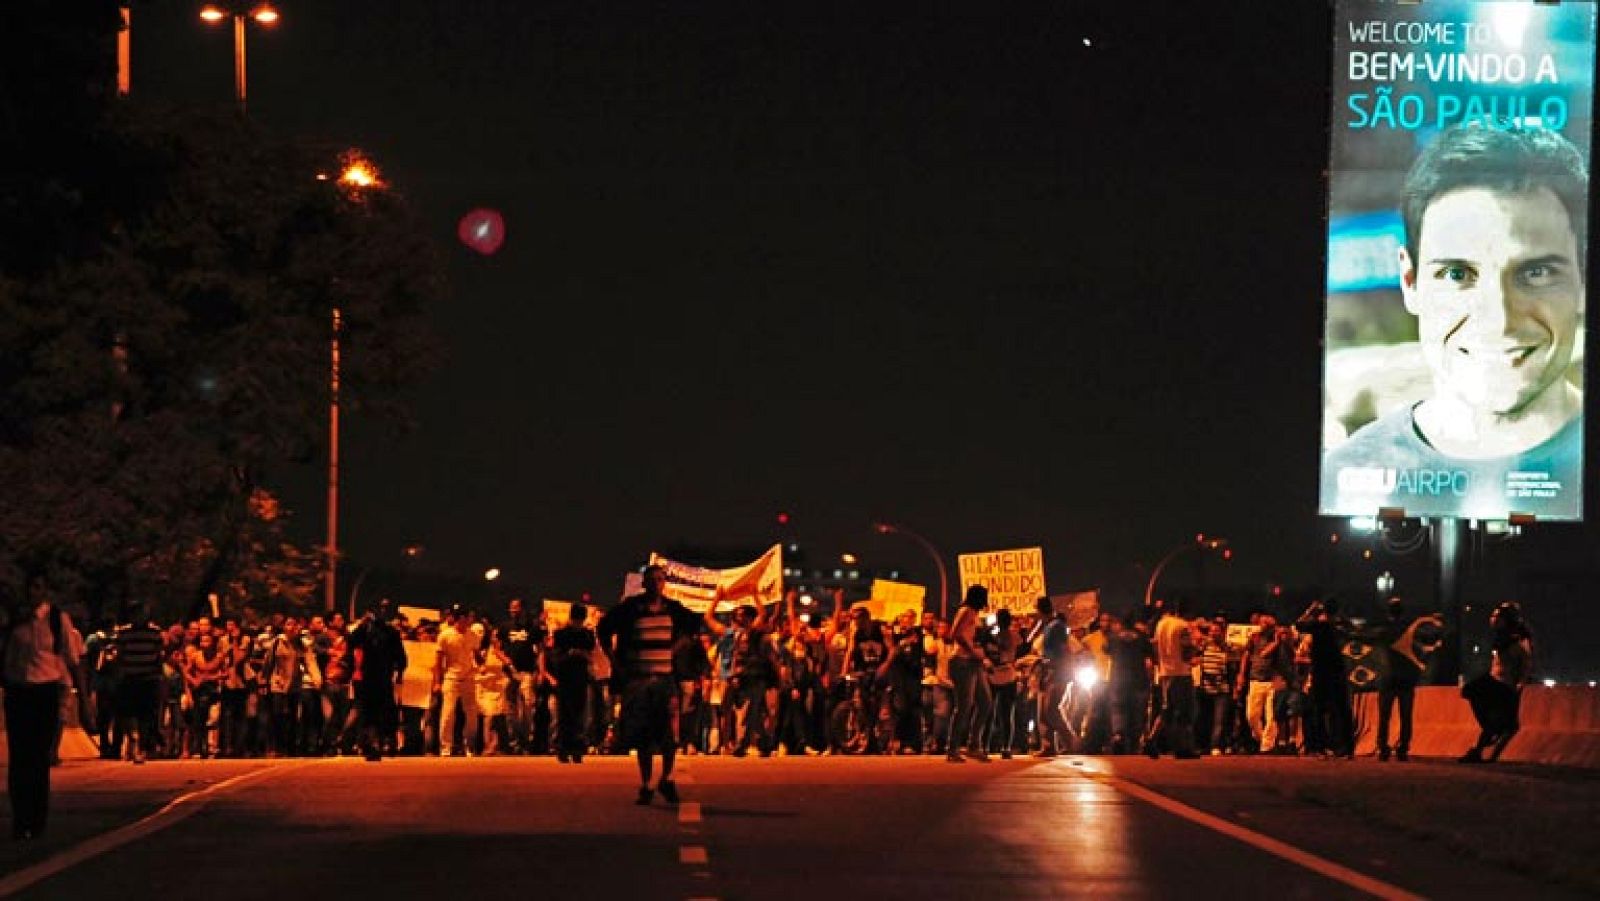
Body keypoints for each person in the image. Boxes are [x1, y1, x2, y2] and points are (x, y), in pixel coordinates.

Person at [1324, 125, 1586, 519]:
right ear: (1410, 282)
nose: (1498, 320)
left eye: (1536, 273)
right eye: (1457, 275)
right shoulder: (1343, 476)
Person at [597, 565, 703, 805]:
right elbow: (603, 629)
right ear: (644, 583)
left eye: (660, 579)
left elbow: (695, 626)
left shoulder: (673, 609)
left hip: (665, 682)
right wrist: (615, 661)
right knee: (643, 737)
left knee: (668, 737)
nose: (656, 584)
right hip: (638, 682)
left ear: (664, 583)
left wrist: (673, 650)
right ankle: (646, 784)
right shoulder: (631, 609)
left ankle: (666, 779)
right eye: (652, 580)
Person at [2, 579, 83, 840]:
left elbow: (72, 659)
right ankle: (20, 818)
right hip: (18, 690)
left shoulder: (58, 620)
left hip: (45, 690)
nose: (31, 593)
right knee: (19, 758)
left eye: (36, 587)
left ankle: (36, 819)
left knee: (38, 757)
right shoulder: (14, 620)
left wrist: (80, 696)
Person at [1460, 601, 1534, 764]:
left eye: (1497, 616)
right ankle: (1486, 742)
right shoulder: (1504, 636)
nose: (1493, 619)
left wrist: (1520, 683)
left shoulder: (1519, 640)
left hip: (1504, 684)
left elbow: (1526, 664)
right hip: (1496, 679)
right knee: (1470, 693)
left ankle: (1483, 748)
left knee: (1505, 724)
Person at [1375, 597, 1441, 762]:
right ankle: (1403, 748)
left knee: (1384, 716)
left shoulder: (1385, 630)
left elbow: (1364, 637)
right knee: (1406, 716)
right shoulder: (1411, 630)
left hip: (1388, 677)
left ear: (1388, 611)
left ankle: (1383, 748)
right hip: (1406, 678)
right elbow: (1429, 639)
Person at [349, 600, 407, 761]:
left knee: (386, 712)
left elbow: (401, 656)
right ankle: (371, 743)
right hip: (367, 677)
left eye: (384, 609)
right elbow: (351, 641)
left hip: (384, 677)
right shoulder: (365, 629)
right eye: (378, 609)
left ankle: (387, 741)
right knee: (368, 712)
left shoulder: (391, 632)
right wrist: (362, 624)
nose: (381, 612)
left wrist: (399, 672)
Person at [1296, 598, 1354, 759]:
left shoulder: (1318, 626)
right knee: (1342, 710)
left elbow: (1298, 625)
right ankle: (1347, 748)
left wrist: (1310, 610)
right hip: (1338, 672)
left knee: (1319, 710)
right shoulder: (1340, 626)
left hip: (1321, 672)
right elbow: (1353, 630)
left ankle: (1321, 747)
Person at [944, 585, 992, 763]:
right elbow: (955, 633)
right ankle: (953, 748)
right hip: (962, 661)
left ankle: (973, 744)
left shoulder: (974, 613)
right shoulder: (966, 611)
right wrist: (972, 650)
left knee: (985, 702)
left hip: (973, 662)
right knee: (964, 706)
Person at [1149, 596, 1200, 759]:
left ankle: (1151, 739)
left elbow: (1155, 648)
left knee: (1167, 710)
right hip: (1181, 673)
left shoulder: (1161, 624)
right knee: (1185, 712)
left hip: (1165, 673)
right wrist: (1195, 654)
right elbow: (1186, 650)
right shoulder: (1182, 626)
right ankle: (1183, 747)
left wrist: (1161, 665)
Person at [1026, 596, 1074, 757]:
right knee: (1042, 711)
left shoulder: (1057, 626)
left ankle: (1071, 741)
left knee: (1050, 709)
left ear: (1041, 609)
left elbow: (1063, 650)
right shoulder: (1046, 626)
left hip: (1056, 672)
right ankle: (1047, 746)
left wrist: (1054, 666)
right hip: (1047, 671)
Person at [433, 605, 480, 757]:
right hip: (451, 677)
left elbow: (477, 656)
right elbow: (438, 661)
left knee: (472, 713)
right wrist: (437, 682)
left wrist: (482, 656)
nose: (470, 621)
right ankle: (445, 747)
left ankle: (469, 745)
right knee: (448, 713)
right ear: (461, 618)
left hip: (468, 678)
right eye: (468, 618)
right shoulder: (445, 636)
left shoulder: (473, 635)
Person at [551, 603, 596, 762]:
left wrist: (582, 654)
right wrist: (570, 653)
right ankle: (563, 748)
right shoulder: (561, 634)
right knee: (564, 713)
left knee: (580, 713)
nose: (579, 623)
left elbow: (591, 653)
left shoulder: (588, 634)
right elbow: (556, 655)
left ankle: (577, 748)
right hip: (565, 677)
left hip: (581, 677)